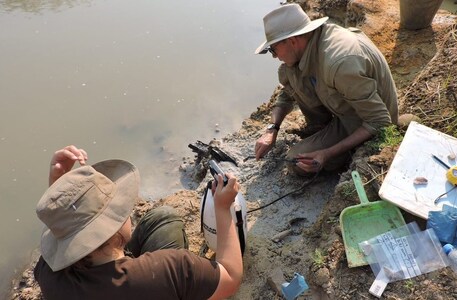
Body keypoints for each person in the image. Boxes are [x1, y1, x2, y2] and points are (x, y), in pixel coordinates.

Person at [34, 145, 243, 300]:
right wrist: (222, 209)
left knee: (162, 217)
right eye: (120, 207)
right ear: (113, 226)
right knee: (166, 219)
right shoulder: (170, 270)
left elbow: (61, 229)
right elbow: (231, 277)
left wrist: (60, 188)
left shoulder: (49, 276)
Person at [254, 3, 398, 175]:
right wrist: (272, 129)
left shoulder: (339, 62)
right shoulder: (310, 45)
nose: (274, 56)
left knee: (295, 162)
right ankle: (322, 129)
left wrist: (327, 153)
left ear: (292, 40)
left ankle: (344, 154)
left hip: (366, 122)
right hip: (349, 107)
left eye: (273, 49)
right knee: (289, 72)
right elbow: (287, 95)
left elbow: (379, 121)